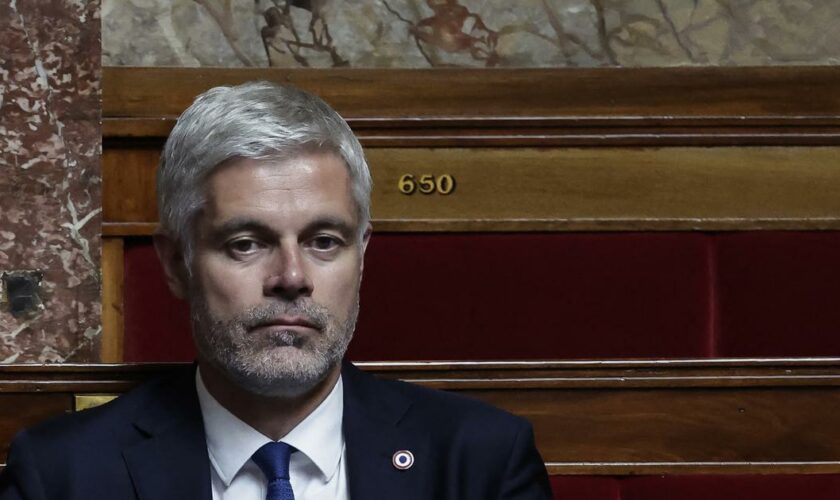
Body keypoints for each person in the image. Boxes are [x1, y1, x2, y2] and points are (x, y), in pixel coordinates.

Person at [0, 82, 552, 499]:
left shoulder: (482, 463)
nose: (292, 277)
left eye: (324, 241)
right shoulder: (62, 475)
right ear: (175, 263)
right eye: (246, 243)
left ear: (362, 256)